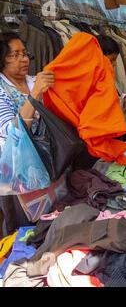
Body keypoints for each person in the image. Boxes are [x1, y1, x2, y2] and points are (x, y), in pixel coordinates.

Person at [0, 32, 55, 235]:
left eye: (24, 53)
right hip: (14, 170)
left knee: (47, 216)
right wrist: (34, 95)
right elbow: (10, 130)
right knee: (21, 224)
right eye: (14, 55)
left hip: (44, 164)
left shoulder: (34, 81)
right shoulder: (2, 89)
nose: (23, 59)